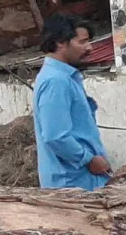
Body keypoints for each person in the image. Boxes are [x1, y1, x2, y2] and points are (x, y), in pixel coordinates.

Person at [33, 14, 111, 190]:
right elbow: (55, 136)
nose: (89, 48)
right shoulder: (56, 81)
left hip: (79, 180)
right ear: (60, 42)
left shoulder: (62, 77)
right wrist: (88, 159)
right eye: (82, 42)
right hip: (72, 183)